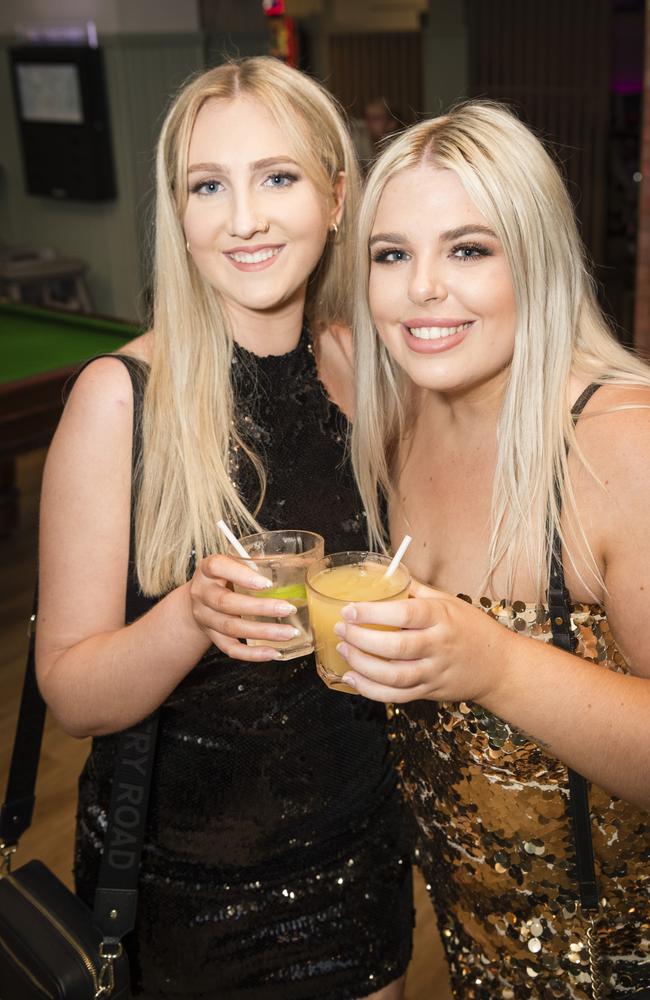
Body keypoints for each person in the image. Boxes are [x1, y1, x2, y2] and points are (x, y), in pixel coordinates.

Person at [35, 57, 413, 999]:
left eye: (277, 178)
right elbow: (73, 695)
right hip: (188, 900)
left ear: (335, 199)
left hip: (361, 854)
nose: (243, 219)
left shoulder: (364, 369)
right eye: (210, 185)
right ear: (180, 212)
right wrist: (189, 616)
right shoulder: (120, 401)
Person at [335, 102, 650, 998]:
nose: (423, 287)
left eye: (469, 249)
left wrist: (492, 665)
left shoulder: (622, 440)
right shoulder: (395, 428)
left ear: (537, 260)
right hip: (476, 956)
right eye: (391, 254)